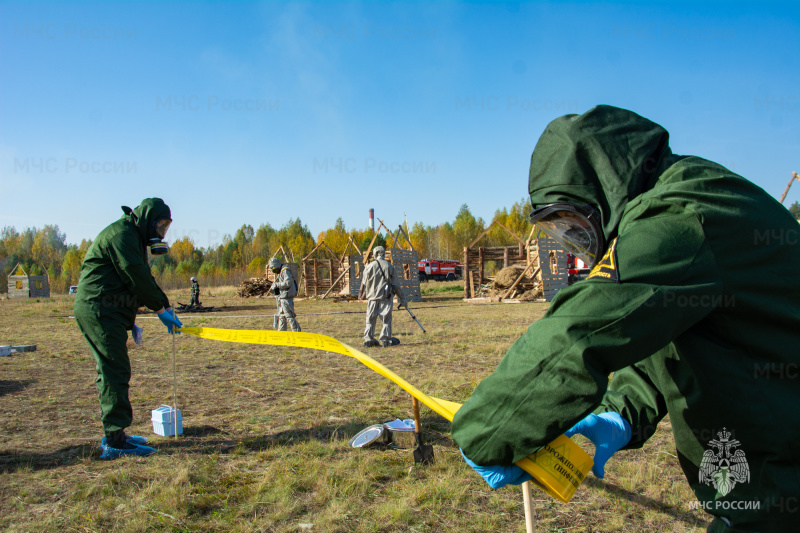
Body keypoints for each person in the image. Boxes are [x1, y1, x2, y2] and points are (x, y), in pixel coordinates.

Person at [452, 106, 800, 532]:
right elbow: (666, 332)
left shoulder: (681, 216)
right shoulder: (686, 200)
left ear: (604, 188)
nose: (574, 243)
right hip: (767, 475)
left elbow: (582, 330)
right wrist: (623, 413)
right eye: (559, 232)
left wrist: (488, 429)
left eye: (573, 224)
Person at [74, 198, 183, 460]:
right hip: (99, 310)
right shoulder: (122, 235)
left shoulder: (131, 237)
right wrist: (160, 309)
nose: (161, 232)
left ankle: (117, 434)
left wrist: (130, 319)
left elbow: (124, 281)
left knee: (111, 368)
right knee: (115, 369)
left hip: (107, 311)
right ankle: (115, 441)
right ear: (147, 220)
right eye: (160, 225)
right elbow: (135, 275)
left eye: (166, 227)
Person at [358, 246, 406, 347]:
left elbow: (365, 282)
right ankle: (385, 339)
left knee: (370, 320)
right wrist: (402, 298)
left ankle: (368, 339)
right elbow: (396, 284)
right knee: (386, 320)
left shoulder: (368, 267)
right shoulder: (389, 266)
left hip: (372, 298)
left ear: (374, 254)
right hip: (385, 298)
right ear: (384, 254)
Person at [269, 257, 301, 332]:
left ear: (276, 266)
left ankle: (296, 331)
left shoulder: (285, 271)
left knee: (289, 315)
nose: (273, 270)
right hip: (282, 296)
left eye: (273, 268)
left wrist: (277, 285)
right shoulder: (281, 271)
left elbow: (288, 283)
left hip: (287, 297)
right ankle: (281, 331)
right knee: (281, 315)